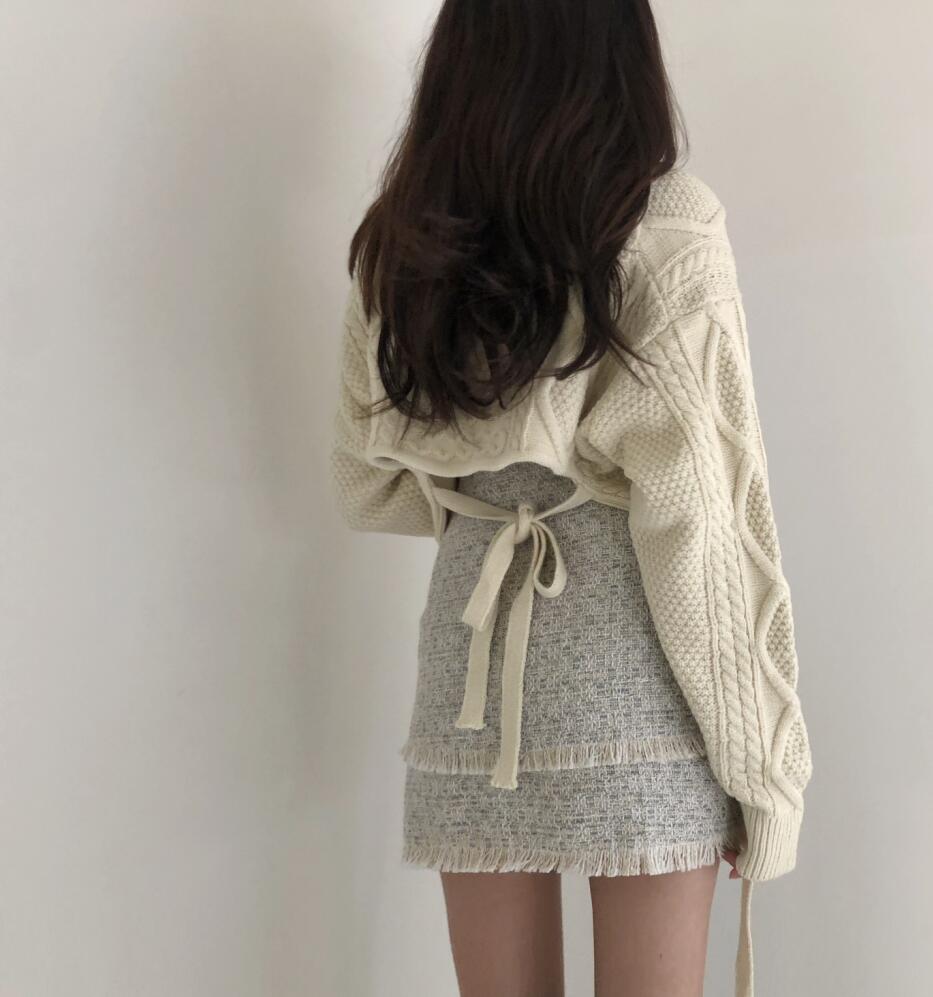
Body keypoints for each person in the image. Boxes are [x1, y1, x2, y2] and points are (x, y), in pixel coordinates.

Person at [329, 2, 813, 995]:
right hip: (640, 685)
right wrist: (762, 773)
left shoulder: (405, 239)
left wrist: (490, 485)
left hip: (469, 685)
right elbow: (702, 527)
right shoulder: (666, 223)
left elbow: (367, 483)